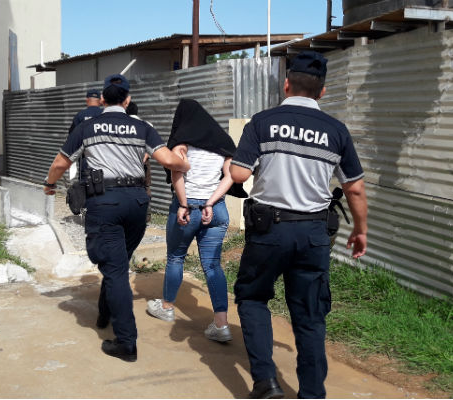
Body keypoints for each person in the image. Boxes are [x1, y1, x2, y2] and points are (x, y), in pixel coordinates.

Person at [229, 51, 368, 399]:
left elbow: (239, 173)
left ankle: (266, 382)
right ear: (322, 92)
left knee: (252, 296)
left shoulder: (262, 121)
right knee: (309, 315)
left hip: (268, 231)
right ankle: (311, 394)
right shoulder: (336, 130)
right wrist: (360, 230)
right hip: (313, 233)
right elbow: (355, 187)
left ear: (287, 84)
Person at [43, 73, 189, 362]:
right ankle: (105, 313)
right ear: (127, 99)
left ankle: (126, 343)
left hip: (105, 202)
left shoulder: (88, 126)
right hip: (136, 202)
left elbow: (61, 162)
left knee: (115, 270)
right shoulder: (142, 126)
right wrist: (186, 162)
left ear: (101, 100)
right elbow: (170, 161)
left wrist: (49, 185)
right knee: (117, 262)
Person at [146, 99, 240, 342]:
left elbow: (178, 173)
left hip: (188, 208)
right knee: (212, 265)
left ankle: (166, 308)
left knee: (176, 257)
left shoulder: (182, 143)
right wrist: (211, 202)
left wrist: (185, 204)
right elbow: (230, 176)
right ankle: (221, 326)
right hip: (215, 210)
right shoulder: (223, 143)